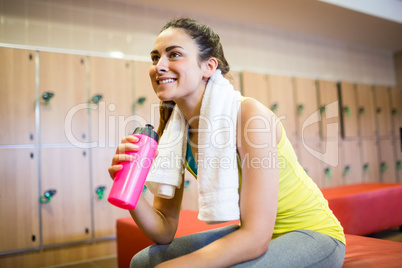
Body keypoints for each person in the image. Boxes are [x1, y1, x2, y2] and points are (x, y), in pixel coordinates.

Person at [108, 17, 345, 268]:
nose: (159, 66)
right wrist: (130, 190)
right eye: (155, 58)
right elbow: (163, 230)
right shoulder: (173, 133)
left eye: (174, 54)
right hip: (257, 233)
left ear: (208, 66)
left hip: (313, 235)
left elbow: (255, 239)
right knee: (143, 262)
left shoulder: (249, 115)